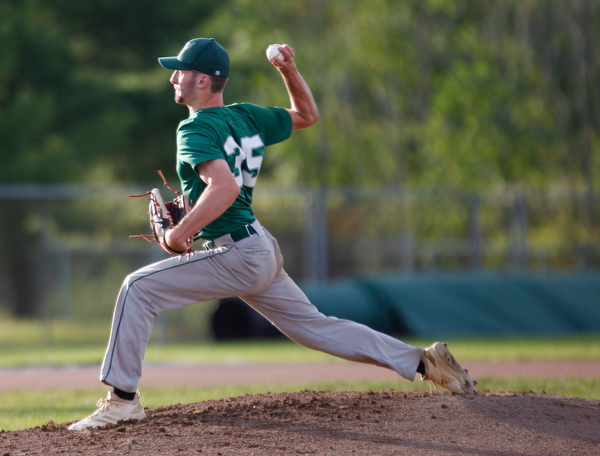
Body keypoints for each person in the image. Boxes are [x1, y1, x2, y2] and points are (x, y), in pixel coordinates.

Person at [67, 38, 477, 431]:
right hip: (257, 246)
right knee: (317, 327)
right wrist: (289, 69)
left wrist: (178, 234)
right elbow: (307, 115)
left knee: (137, 288)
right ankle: (424, 363)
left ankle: (122, 402)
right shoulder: (245, 116)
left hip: (238, 253)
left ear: (203, 80)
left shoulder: (193, 130)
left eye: (181, 72)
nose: (174, 78)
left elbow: (224, 189)